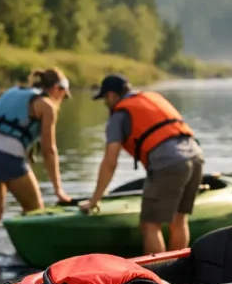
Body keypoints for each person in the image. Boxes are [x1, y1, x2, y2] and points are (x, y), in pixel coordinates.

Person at [80, 74, 205, 254]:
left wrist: (94, 201)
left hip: (169, 164)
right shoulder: (151, 98)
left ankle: (159, 271)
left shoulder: (119, 115)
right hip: (196, 157)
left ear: (112, 95)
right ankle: (179, 269)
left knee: (150, 225)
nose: (106, 103)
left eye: (105, 98)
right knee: (179, 219)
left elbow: (110, 162)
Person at [0, 68, 72, 271]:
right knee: (35, 210)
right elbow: (49, 151)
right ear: (56, 88)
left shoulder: (14, 91)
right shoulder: (47, 106)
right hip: (6, 154)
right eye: (63, 94)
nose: (62, 99)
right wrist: (58, 190)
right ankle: (30, 262)